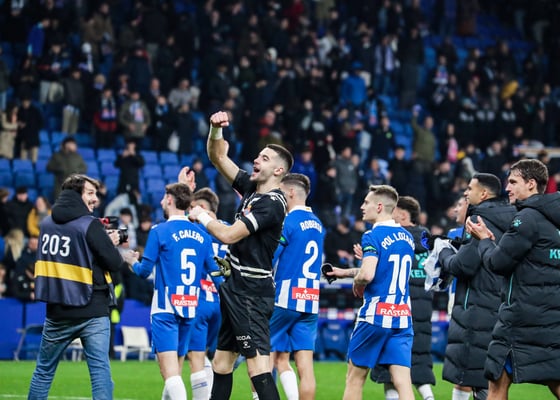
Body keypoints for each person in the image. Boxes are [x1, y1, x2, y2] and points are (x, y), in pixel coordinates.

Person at [188, 110, 293, 400]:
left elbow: (228, 235)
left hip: (251, 293)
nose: (256, 160)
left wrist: (203, 216)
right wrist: (215, 130)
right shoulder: (251, 188)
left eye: (264, 158)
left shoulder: (272, 204)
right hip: (235, 287)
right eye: (258, 156)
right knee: (221, 364)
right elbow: (218, 157)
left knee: (258, 369)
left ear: (278, 171)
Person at [466, 159, 560, 400]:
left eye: (513, 182)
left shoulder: (526, 218)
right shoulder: (553, 219)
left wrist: (484, 240)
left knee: (496, 384)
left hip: (520, 321)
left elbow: (497, 263)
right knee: (556, 381)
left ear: (531, 184)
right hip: (552, 320)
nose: (507, 188)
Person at [28, 174, 125, 399]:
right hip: (93, 309)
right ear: (76, 194)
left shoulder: (46, 224)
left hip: (57, 311)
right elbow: (114, 263)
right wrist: (108, 243)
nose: (95, 199)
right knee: (100, 372)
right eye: (90, 193)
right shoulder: (90, 224)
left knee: (43, 371)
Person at [122, 178, 218, 400]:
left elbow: (144, 271)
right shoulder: (203, 235)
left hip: (165, 309)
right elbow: (216, 274)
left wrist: (131, 261)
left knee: (170, 373)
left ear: (169, 199)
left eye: (164, 198)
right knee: (175, 368)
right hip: (190, 308)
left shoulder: (160, 231)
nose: (161, 202)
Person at [326, 185, 415, 400]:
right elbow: (382, 271)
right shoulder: (407, 237)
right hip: (402, 317)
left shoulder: (372, 235)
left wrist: (358, 281)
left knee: (355, 378)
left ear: (379, 206)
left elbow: (367, 274)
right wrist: (344, 273)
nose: (362, 207)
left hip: (376, 316)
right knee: (403, 382)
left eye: (366, 202)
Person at [438, 173, 516, 400]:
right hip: (499, 303)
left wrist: (443, 251)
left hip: (476, 308)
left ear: (483, 194)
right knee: (491, 380)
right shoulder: (513, 218)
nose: (465, 192)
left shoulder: (480, 219)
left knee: (471, 376)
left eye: (470, 189)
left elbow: (463, 265)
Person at [370, 196, 436, 400]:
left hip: (396, 307)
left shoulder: (395, 239)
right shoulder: (429, 240)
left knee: (390, 365)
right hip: (424, 308)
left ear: (404, 214)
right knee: (419, 360)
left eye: (395, 210)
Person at [270, 173, 325, 400]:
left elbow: (271, 257)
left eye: (281, 193)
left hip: (285, 297)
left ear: (291, 192)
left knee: (263, 355)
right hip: (310, 298)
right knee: (305, 367)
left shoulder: (288, 222)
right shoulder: (318, 224)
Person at [188, 187, 227, 400]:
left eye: (192, 208)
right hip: (223, 302)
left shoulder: (196, 232)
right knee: (216, 358)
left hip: (200, 299)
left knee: (195, 356)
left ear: (202, 208)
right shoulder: (231, 230)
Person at [46, 136, 87, 200]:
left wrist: (76, 171)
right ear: (67, 144)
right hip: (60, 186)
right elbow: (49, 167)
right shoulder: (57, 155)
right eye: (73, 144)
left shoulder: (78, 157)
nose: (75, 146)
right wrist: (59, 169)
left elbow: (84, 168)